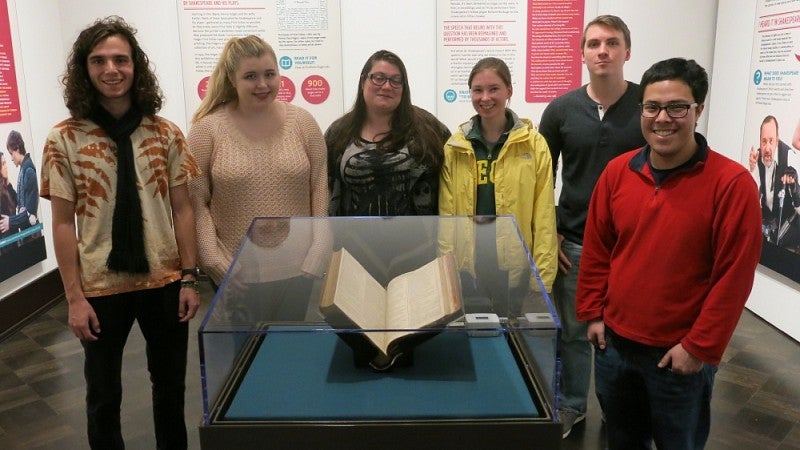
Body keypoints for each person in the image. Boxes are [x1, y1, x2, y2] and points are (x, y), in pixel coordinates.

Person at [577, 58, 762, 449]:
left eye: (677, 107)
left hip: (678, 356)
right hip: (615, 347)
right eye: (652, 107)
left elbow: (734, 278)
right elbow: (597, 248)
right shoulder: (617, 172)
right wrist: (592, 314)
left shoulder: (731, 184)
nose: (663, 118)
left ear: (699, 109)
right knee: (622, 440)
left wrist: (699, 348)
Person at [39, 16, 200, 449]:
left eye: (120, 59)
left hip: (165, 281)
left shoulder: (165, 132)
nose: (111, 69)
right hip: (99, 287)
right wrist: (73, 297)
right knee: (103, 396)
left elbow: (183, 210)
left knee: (170, 392)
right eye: (99, 60)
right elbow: (61, 222)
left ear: (136, 67)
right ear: (84, 70)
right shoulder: (64, 138)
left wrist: (189, 276)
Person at [537, 14, 646, 437]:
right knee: (575, 331)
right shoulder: (561, 110)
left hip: (634, 242)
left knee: (631, 333)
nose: (603, 50)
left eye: (612, 43)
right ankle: (572, 405)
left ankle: (624, 410)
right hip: (578, 240)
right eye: (595, 43)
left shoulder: (647, 107)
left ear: (627, 51)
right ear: (582, 53)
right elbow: (540, 178)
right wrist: (551, 232)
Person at [188, 35, 328, 286]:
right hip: (236, 273)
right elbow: (197, 203)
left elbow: (318, 186)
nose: (262, 84)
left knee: (290, 327)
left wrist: (320, 244)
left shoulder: (303, 122)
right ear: (232, 79)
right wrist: (212, 259)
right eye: (250, 76)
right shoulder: (206, 130)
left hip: (300, 269)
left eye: (270, 74)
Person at [439, 57, 557, 299]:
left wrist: (541, 280)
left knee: (513, 334)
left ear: (509, 91)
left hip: (515, 267)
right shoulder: (456, 145)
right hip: (469, 265)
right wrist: (446, 270)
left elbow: (543, 215)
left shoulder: (534, 145)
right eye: (478, 90)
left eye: (494, 89)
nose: (485, 98)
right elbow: (446, 216)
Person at [326, 49, 449, 216]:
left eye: (396, 80)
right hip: (353, 239)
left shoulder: (429, 127)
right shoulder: (338, 133)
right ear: (363, 81)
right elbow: (326, 190)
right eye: (378, 78)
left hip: (421, 240)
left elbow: (451, 179)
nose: (386, 86)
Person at [748, 115, 796, 244]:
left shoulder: (789, 157)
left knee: (776, 242)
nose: (767, 148)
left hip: (787, 218)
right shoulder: (757, 157)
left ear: (777, 140)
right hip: (768, 218)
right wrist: (752, 170)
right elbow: (753, 198)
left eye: (771, 141)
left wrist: (794, 186)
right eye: (764, 142)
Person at [1, 130, 39, 234]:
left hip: (32, 235)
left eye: (11, 153)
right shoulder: (24, 169)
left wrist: (10, 221)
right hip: (27, 233)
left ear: (17, 148)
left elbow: (30, 212)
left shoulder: (29, 171)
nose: (11, 158)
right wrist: (8, 183)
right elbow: (20, 201)